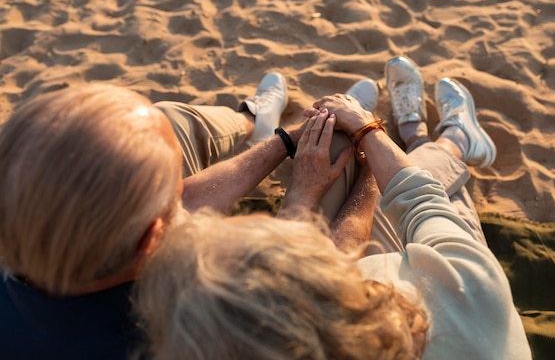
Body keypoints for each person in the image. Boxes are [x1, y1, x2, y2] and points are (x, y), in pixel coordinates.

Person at [135, 57, 532, 360]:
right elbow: (423, 202)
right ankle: (450, 139)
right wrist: (369, 134)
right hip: (440, 282)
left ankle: (384, 136)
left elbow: (333, 259)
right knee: (421, 172)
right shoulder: (471, 300)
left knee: (336, 151)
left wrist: (305, 191)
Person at [0, 71, 380, 360]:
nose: (185, 186)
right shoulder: (181, 324)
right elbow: (287, 283)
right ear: (153, 241)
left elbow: (178, 204)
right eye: (176, 187)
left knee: (168, 119)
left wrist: (285, 140)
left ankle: (252, 120)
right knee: (339, 146)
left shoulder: (23, 232)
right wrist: (358, 176)